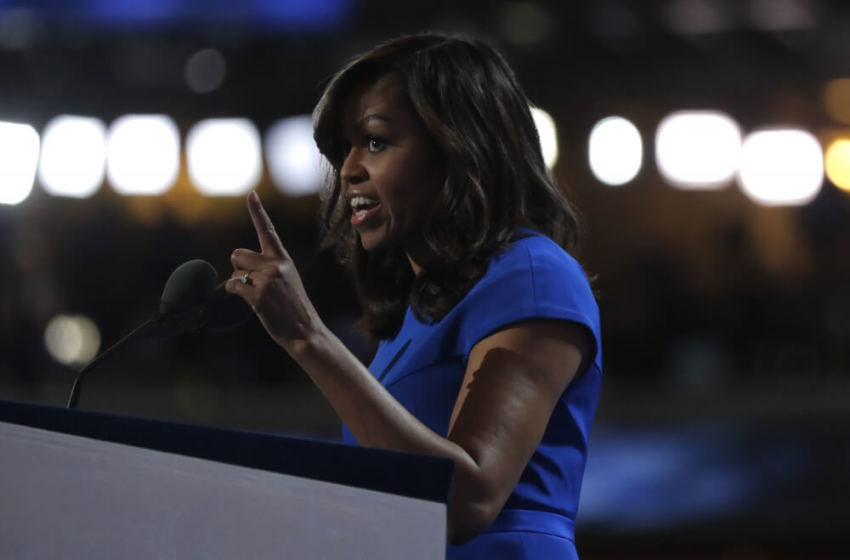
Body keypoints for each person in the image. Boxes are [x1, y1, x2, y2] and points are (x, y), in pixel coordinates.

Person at [226, 33, 601, 559]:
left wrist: (309, 339)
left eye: (376, 142)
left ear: (458, 146)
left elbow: (469, 498)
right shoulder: (415, 315)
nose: (350, 167)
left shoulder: (534, 275)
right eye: (345, 148)